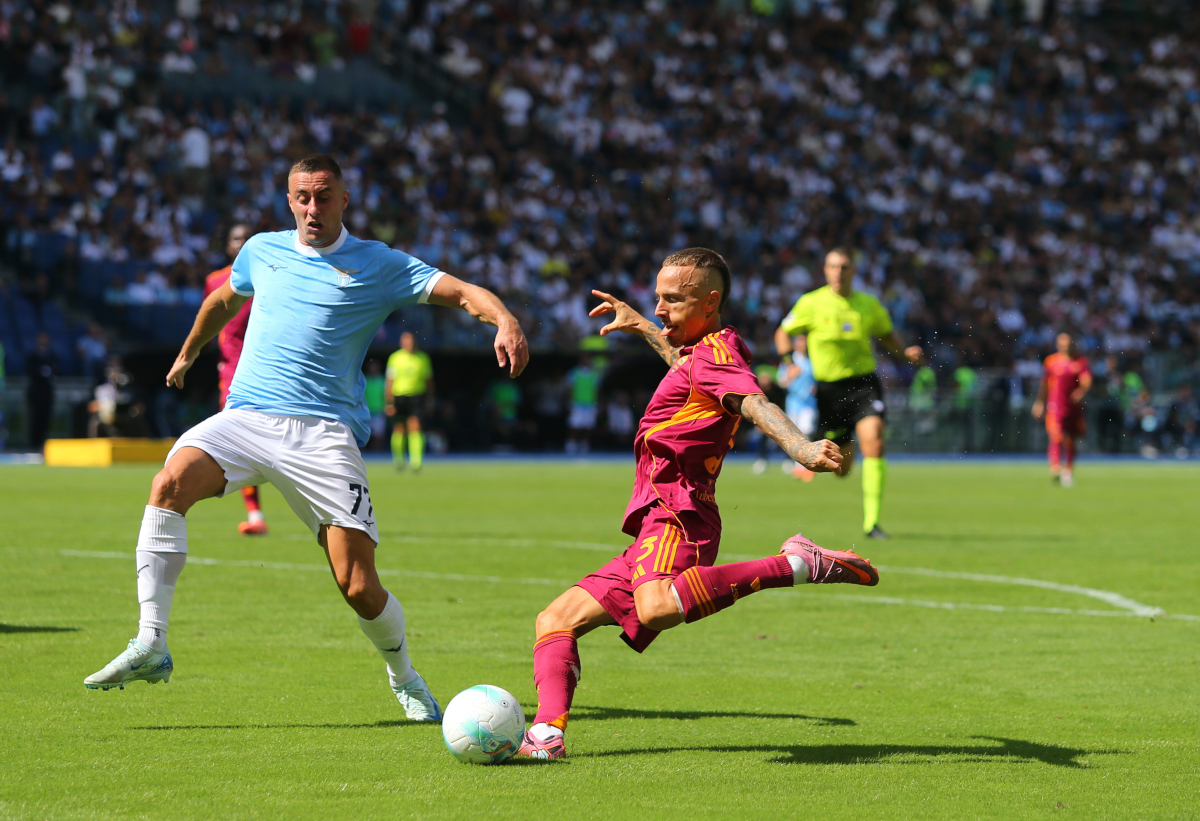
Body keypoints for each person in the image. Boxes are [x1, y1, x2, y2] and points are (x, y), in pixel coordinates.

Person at [83, 155, 530, 727]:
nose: (312, 208)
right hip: (247, 416)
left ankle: (404, 674)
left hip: (323, 434)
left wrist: (505, 320)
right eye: (302, 197)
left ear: (345, 199)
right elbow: (222, 300)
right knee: (167, 483)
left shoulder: (379, 263)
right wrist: (189, 351)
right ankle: (151, 640)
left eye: (323, 196)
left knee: (358, 585)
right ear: (289, 200)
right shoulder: (262, 250)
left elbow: (463, 292)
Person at [516, 248, 876, 761]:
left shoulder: (719, 356)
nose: (661, 308)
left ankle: (796, 564)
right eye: (657, 297)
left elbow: (754, 402)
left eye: (672, 300)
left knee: (658, 606)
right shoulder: (703, 352)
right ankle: (548, 735)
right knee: (554, 620)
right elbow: (687, 367)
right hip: (657, 520)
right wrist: (641, 324)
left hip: (678, 513)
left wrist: (800, 446)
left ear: (710, 302)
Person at [774, 248, 922, 540]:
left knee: (875, 441)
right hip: (830, 392)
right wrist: (789, 362)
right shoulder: (811, 303)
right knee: (841, 467)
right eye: (832, 266)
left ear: (853, 271)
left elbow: (887, 335)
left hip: (864, 385)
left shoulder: (868, 304)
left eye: (843, 267)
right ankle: (848, 445)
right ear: (825, 271)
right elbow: (782, 332)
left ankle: (872, 523)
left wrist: (905, 354)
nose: (838, 272)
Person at [203, 223, 268, 535]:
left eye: (246, 238)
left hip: (269, 368)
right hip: (232, 371)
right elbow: (211, 318)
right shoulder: (215, 280)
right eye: (235, 238)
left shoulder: (269, 278)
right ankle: (255, 514)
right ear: (228, 245)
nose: (241, 242)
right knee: (239, 437)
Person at [1032, 333, 1092, 486]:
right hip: (1055, 406)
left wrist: (1081, 392)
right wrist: (1039, 402)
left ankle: (1068, 470)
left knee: (1071, 438)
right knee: (1056, 435)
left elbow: (1086, 381)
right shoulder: (1051, 361)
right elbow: (1044, 384)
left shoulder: (1080, 361)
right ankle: (1056, 467)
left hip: (1073, 407)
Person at [385, 331, 433, 470]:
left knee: (415, 426)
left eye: (410, 341)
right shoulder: (395, 358)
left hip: (417, 396)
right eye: (405, 341)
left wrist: (429, 400)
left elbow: (429, 380)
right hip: (399, 396)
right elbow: (390, 381)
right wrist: (389, 402)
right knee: (399, 428)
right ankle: (399, 460)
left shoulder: (423, 358)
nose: (409, 344)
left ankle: (416, 462)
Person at [776, 333, 818, 481]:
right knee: (794, 435)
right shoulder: (789, 361)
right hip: (794, 403)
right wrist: (790, 376)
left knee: (806, 431)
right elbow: (781, 382)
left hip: (809, 403)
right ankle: (797, 465)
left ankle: (806, 465)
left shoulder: (812, 360)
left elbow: (818, 379)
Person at [25, 332, 58, 452]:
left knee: (45, 420)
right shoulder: (32, 356)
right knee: (34, 419)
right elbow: (30, 371)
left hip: (47, 393)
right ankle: (33, 444)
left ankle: (43, 443)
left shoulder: (52, 356)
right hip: (35, 393)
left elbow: (57, 370)